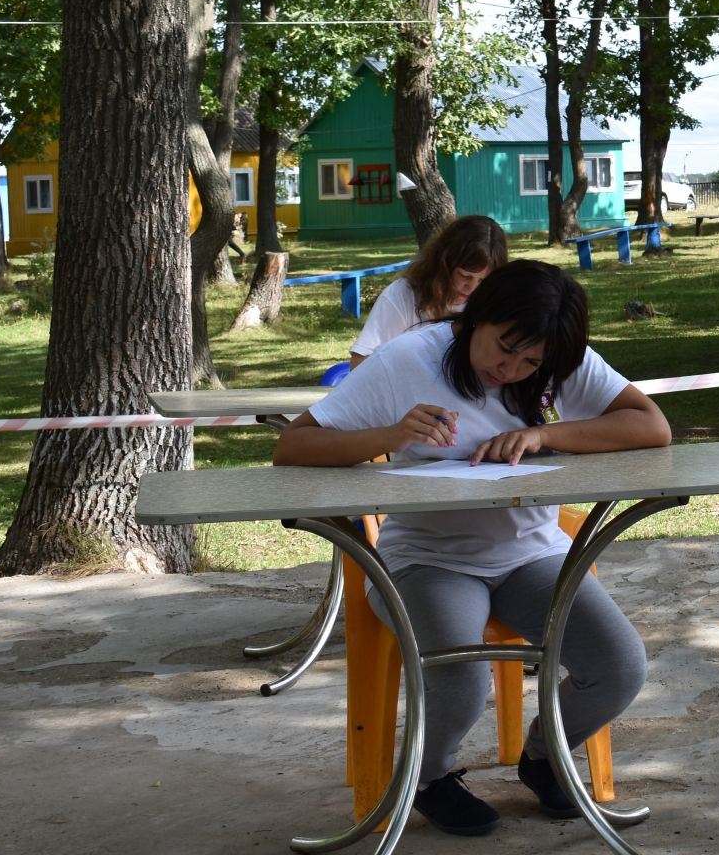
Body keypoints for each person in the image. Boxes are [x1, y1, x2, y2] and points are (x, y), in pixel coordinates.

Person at [274, 259, 670, 836]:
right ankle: (429, 777)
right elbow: (294, 446)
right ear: (477, 317)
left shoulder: (557, 356)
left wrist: (544, 433)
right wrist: (390, 436)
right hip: (428, 560)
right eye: (503, 348)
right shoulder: (410, 358)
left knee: (619, 664)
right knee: (461, 678)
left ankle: (545, 756)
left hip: (533, 553)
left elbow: (650, 426)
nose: (510, 370)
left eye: (530, 363)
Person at [350, 214, 509, 368]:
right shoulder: (405, 294)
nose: (472, 287)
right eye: (464, 275)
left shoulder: (495, 304)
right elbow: (360, 364)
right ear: (444, 264)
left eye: (483, 280)